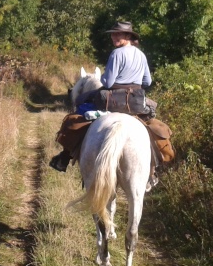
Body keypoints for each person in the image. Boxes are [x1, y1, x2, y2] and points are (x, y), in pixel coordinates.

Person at [49, 21, 152, 172]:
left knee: (79, 109)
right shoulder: (141, 55)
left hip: (114, 101)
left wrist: (103, 78)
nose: (114, 37)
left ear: (128, 35)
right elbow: (147, 81)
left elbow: (108, 82)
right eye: (113, 34)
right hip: (136, 102)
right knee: (153, 128)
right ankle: (153, 169)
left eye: (118, 34)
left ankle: (64, 157)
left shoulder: (116, 53)